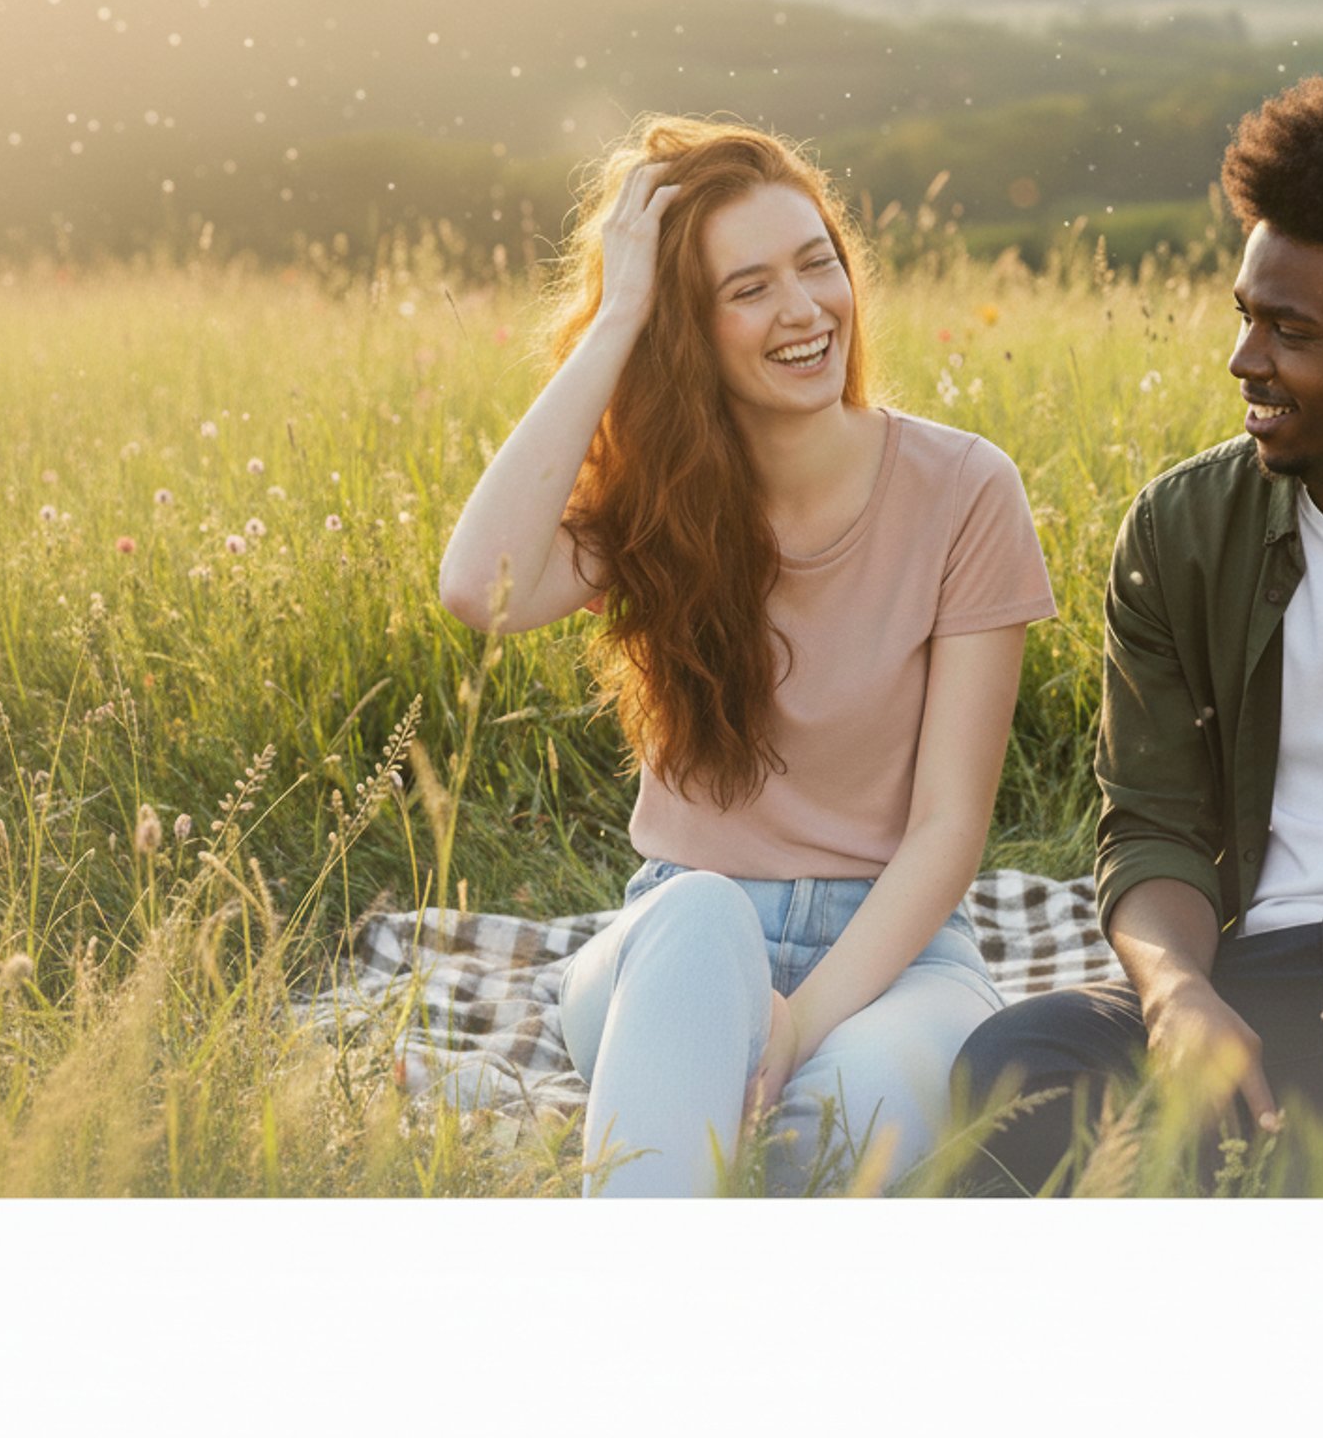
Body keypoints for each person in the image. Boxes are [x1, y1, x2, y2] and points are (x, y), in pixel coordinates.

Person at [438, 116, 1054, 1196]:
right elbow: (475, 587)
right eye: (750, 288)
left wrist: (796, 1027)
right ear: (688, 329)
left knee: (843, 1123)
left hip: (898, 956)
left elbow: (949, 828)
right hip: (684, 937)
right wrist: (618, 317)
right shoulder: (659, 504)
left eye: (818, 265)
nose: (804, 309)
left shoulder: (966, 490)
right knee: (704, 913)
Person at [955, 68, 1323, 1197]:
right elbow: (1152, 826)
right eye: (1245, 316)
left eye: (1291, 330)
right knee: (1020, 1059)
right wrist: (1177, 993)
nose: (1245, 359)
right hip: (1264, 1009)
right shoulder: (1180, 530)